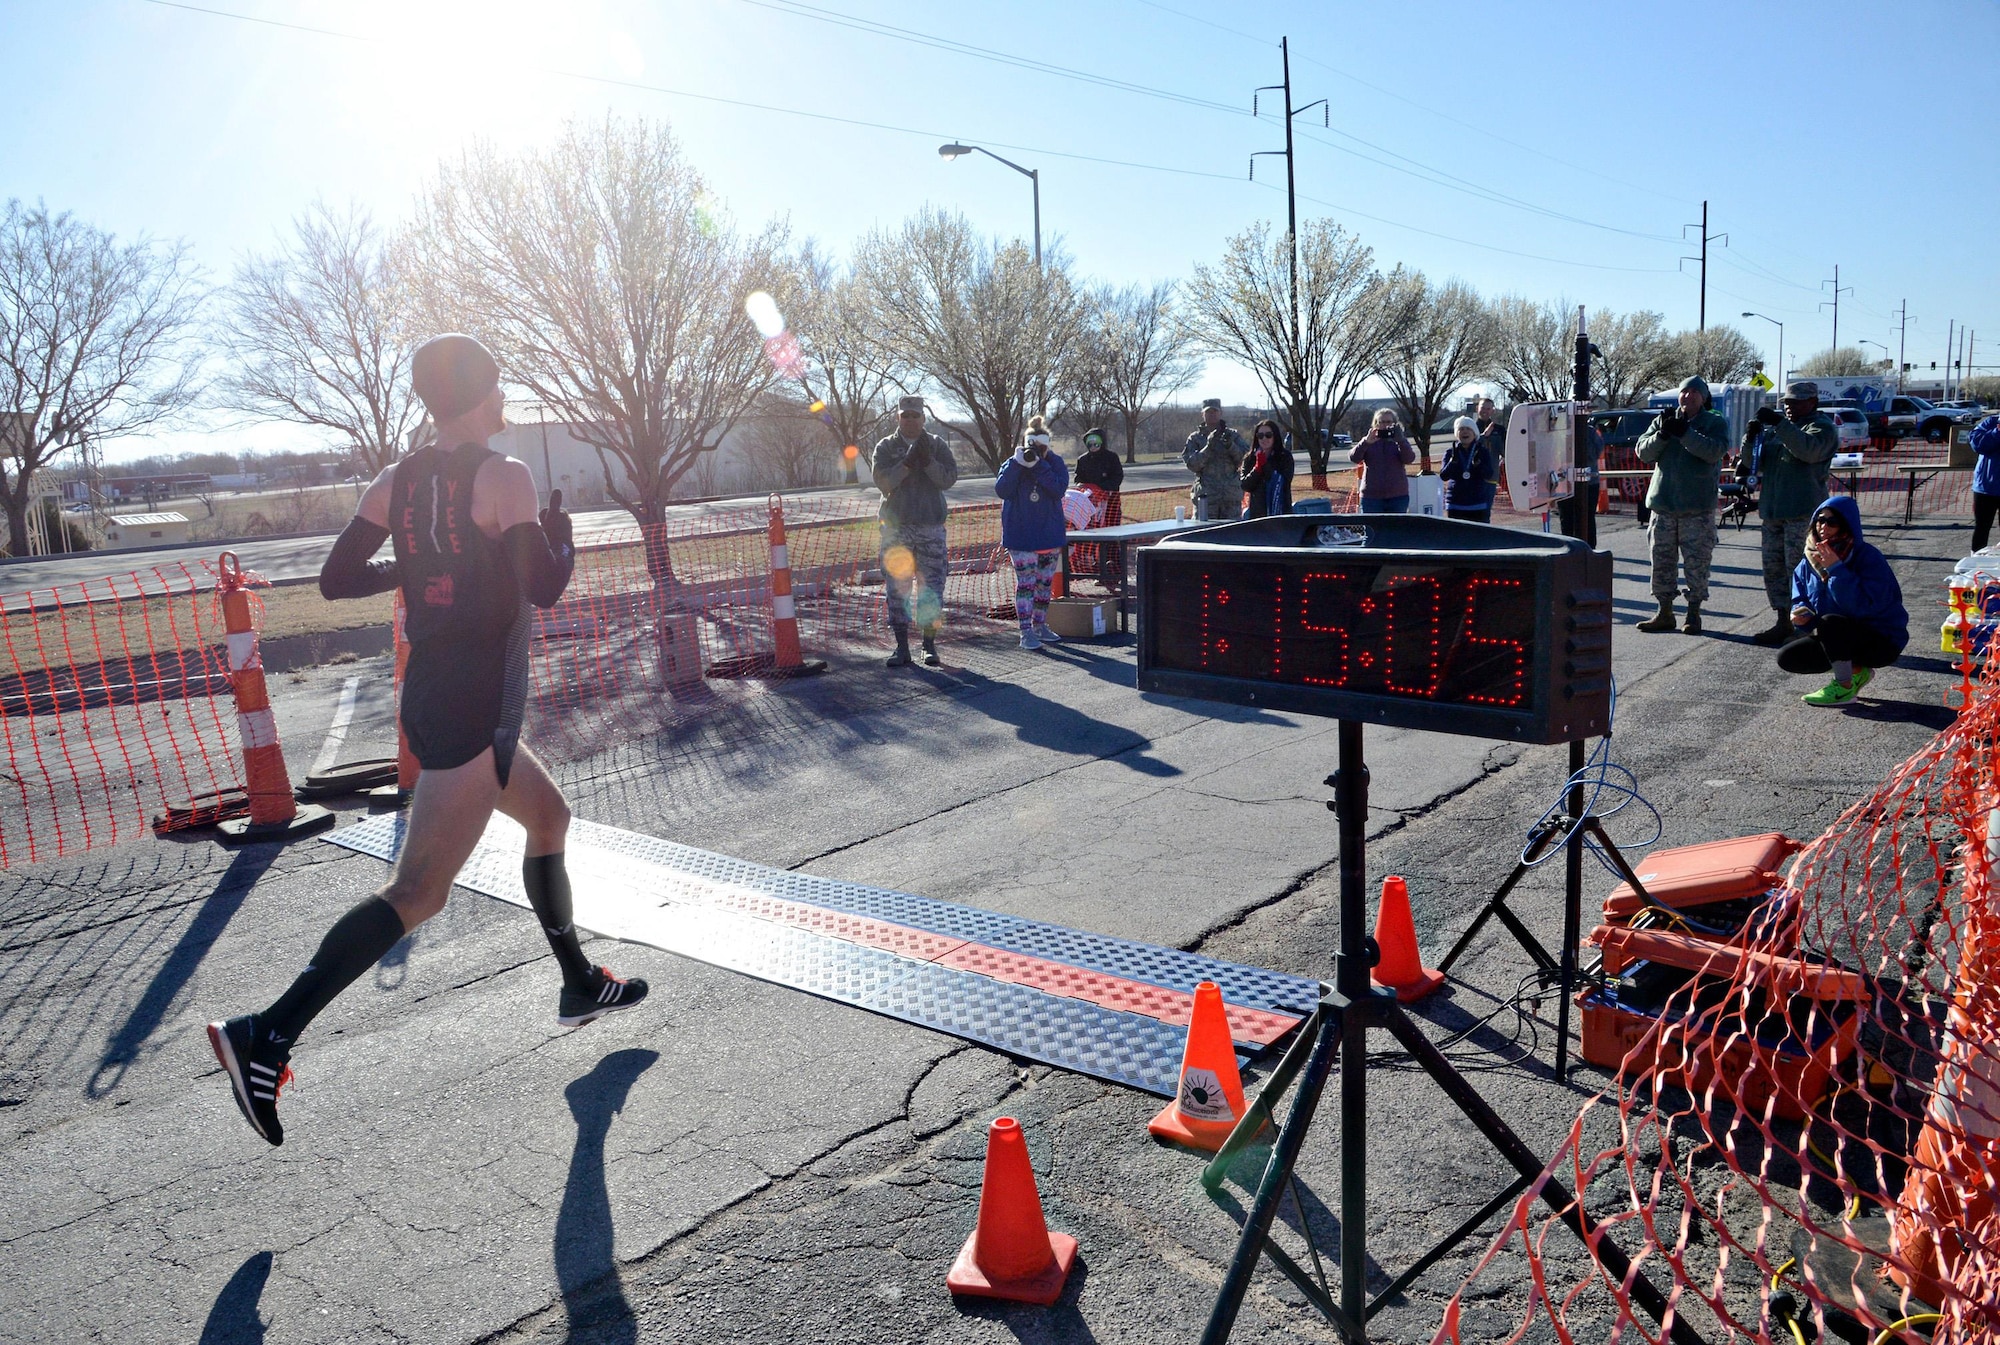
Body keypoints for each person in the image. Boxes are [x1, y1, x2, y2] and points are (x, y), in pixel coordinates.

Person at [206, 334, 647, 1147]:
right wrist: (562, 534)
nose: (507, 401)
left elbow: (338, 578)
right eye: (501, 389)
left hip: (438, 696)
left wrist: (410, 569)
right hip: (476, 707)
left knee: (549, 818)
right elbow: (544, 587)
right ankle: (265, 1034)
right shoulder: (503, 476)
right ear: (480, 396)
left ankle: (580, 980)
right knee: (419, 892)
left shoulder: (395, 478)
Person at [1778, 496, 1907, 707]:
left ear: (1846, 524)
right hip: (1837, 636)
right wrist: (1800, 615)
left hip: (1880, 639)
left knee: (1831, 622)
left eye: (1832, 522)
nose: (1823, 526)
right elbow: (1800, 597)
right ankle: (1857, 672)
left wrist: (1837, 570)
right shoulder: (1807, 560)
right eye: (1820, 520)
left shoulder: (1867, 556)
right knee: (1788, 657)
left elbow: (1864, 607)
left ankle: (1844, 688)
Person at [1742, 381, 1837, 646]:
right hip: (1773, 512)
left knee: (1804, 571)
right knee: (1774, 571)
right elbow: (1752, 464)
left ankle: (1808, 627)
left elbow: (1808, 450)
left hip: (1803, 514)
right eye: (1786, 402)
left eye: (1796, 402)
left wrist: (1781, 425)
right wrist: (1750, 439)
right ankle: (1783, 620)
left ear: (1813, 402)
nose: (1789, 406)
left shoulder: (1821, 428)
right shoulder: (1776, 431)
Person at [1634, 376, 1728, 634]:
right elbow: (1643, 452)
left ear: (1704, 397)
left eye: (1693, 393)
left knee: (1697, 564)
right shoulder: (1664, 419)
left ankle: (1693, 613)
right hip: (1663, 506)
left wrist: (1686, 434)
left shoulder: (1714, 423)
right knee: (1661, 562)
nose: (1687, 397)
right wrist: (1663, 434)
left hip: (1696, 509)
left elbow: (1712, 451)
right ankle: (1664, 612)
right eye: (1684, 392)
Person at [872, 395, 959, 668]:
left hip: (930, 528)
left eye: (915, 415)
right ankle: (901, 648)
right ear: (898, 417)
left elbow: (948, 479)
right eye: (905, 415)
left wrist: (929, 461)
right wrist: (908, 464)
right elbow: (883, 482)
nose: (910, 420)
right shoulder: (885, 447)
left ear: (924, 418)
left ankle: (929, 646)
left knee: (931, 589)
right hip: (897, 531)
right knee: (897, 590)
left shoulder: (936, 445)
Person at [996, 415, 1069, 650]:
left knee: (1044, 585)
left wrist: (1039, 466)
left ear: (1047, 445)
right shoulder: (1013, 462)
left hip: (1048, 535)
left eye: (1041, 448)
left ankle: (1040, 625)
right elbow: (1002, 489)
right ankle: (1025, 631)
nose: (1036, 451)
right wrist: (1018, 465)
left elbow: (1058, 489)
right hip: (1021, 536)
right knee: (1026, 584)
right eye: (1033, 447)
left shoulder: (1055, 463)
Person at [1072, 426, 1125, 585]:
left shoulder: (1111, 458)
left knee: (1112, 537)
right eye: (1090, 442)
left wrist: (1102, 488)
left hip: (1110, 505)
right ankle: (1099, 568)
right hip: (1090, 506)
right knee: (1095, 537)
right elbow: (1077, 479)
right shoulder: (1083, 460)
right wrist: (1087, 488)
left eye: (1097, 442)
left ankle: (1115, 571)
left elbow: (1117, 477)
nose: (1093, 446)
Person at [1183, 398, 1247, 521]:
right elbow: (1192, 465)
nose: (1212, 415)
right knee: (1203, 534)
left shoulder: (1233, 435)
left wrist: (1231, 446)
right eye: (1208, 412)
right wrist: (1208, 447)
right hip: (1206, 499)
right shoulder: (1195, 438)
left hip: (1230, 499)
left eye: (1214, 411)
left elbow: (1244, 460)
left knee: (1233, 535)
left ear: (1220, 413)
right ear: (1202, 414)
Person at [1349, 408, 1417, 514]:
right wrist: (1366, 442)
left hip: (1397, 496)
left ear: (1395, 424)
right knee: (1372, 529)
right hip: (1371, 497)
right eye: (1381, 422)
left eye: (1388, 422)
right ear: (1376, 424)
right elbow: (1354, 458)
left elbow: (1409, 459)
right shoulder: (1369, 440)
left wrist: (1401, 441)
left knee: (1395, 529)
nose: (1385, 425)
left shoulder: (1399, 441)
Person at [1438, 415, 1497, 524]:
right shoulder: (1450, 452)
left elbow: (1489, 474)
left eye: (1468, 429)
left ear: (1474, 433)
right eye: (1461, 429)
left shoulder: (1482, 451)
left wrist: (1478, 465)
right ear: (1457, 434)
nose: (1465, 432)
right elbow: (1444, 476)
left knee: (1478, 539)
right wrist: (1452, 462)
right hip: (1455, 505)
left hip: (1478, 504)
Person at [1239, 419, 1294, 519]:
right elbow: (1245, 485)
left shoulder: (1285, 456)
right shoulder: (1249, 458)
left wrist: (1265, 465)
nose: (1264, 439)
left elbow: (1285, 482)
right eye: (1260, 436)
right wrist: (1257, 468)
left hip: (1282, 514)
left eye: (1268, 435)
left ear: (1275, 436)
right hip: (1258, 515)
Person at [1969, 410, 2000, 551]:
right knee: (1982, 527)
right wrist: (1996, 433)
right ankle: (1975, 564)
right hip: (1986, 487)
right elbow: (1976, 444)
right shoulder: (1990, 422)